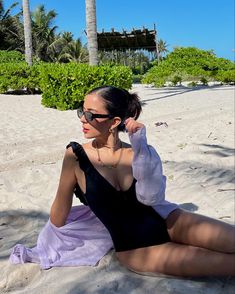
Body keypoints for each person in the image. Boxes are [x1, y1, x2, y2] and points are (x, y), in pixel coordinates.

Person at [50, 85, 235, 277]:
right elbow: (59, 214)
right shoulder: (75, 155)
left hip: (169, 220)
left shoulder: (139, 152)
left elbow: (152, 197)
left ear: (114, 122)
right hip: (138, 248)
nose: (82, 118)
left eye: (90, 115)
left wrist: (140, 145)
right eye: (82, 111)